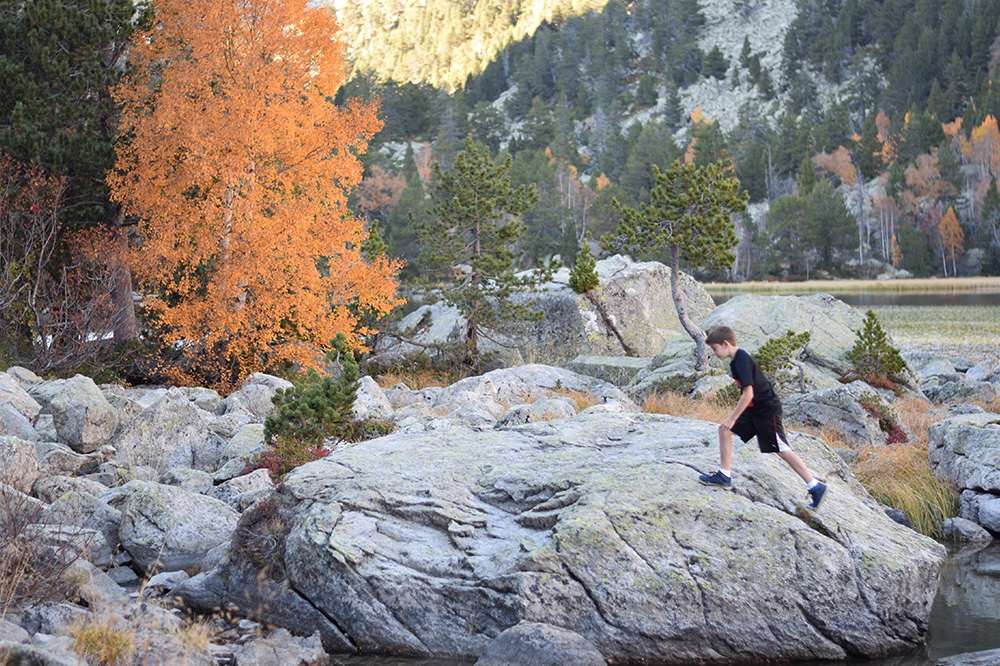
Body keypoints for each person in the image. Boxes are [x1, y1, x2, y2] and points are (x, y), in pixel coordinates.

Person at [698, 325, 827, 509]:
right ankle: (724, 475)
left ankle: (815, 486)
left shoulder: (741, 361)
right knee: (724, 430)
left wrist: (732, 418)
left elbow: (748, 394)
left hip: (766, 411)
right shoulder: (736, 360)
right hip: (754, 411)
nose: (714, 353)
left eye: (715, 348)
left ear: (725, 344)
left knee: (781, 448)